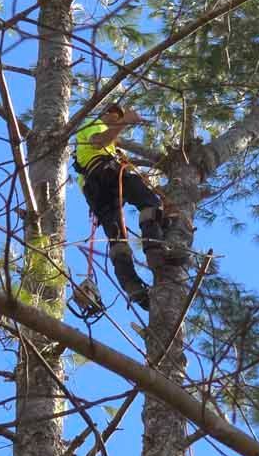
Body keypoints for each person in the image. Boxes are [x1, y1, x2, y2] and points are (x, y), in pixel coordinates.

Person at [72, 103, 184, 311]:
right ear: (107, 114)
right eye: (115, 115)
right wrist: (126, 121)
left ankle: (133, 287)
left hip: (95, 190)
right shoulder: (94, 124)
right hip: (105, 172)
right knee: (148, 202)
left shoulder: (104, 144)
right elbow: (98, 142)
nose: (117, 119)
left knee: (117, 237)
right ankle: (155, 251)